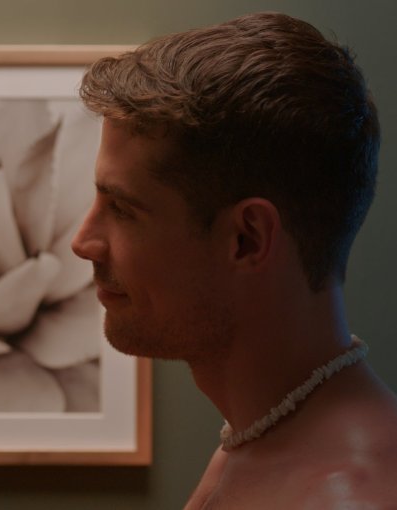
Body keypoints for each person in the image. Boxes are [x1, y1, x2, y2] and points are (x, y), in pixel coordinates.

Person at [71, 12, 397, 508]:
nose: (83, 241)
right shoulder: (259, 436)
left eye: (122, 209)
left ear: (247, 239)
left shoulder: (343, 498)